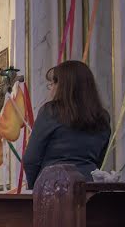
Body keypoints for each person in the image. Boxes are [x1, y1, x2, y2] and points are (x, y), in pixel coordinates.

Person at [24, 60, 111, 189]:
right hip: (89, 186)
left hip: (53, 186)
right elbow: (99, 158)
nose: (51, 89)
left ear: (64, 86)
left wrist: (35, 186)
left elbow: (31, 159)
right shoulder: (102, 117)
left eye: (53, 83)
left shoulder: (51, 111)